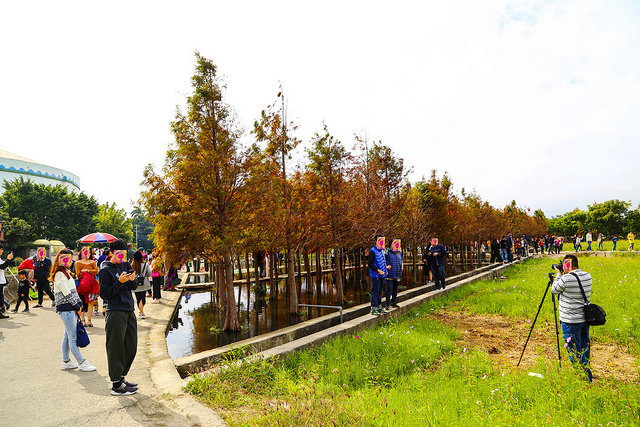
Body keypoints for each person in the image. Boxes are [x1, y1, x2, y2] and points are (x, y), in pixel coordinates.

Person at [98, 239, 139, 396]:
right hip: (115, 311)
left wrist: (132, 280)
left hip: (129, 308)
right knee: (115, 347)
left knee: (131, 345)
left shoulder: (125, 265)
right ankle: (116, 384)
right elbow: (105, 294)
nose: (122, 257)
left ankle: (122, 377)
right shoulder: (105, 269)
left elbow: (133, 287)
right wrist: (119, 282)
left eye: (124, 254)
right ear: (112, 253)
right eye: (119, 254)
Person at [51, 249, 97, 372]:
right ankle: (81, 362)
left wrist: (79, 304)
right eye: (66, 258)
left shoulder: (66, 272)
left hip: (70, 308)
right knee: (72, 337)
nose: (69, 260)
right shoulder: (59, 274)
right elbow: (67, 293)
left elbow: (73, 291)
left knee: (67, 336)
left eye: (70, 258)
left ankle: (66, 361)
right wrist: (77, 306)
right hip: (66, 309)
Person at [551, 254, 593, 382]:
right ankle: (586, 369)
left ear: (567, 264)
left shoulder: (565, 279)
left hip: (571, 320)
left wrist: (559, 274)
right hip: (584, 318)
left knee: (574, 350)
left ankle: (585, 377)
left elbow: (554, 290)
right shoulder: (588, 275)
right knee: (584, 346)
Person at [76, 248, 99, 327]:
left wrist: (86, 271)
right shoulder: (78, 263)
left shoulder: (92, 262)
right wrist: (89, 271)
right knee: (82, 303)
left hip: (92, 285)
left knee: (90, 302)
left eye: (88, 252)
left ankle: (89, 320)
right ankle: (83, 320)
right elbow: (78, 274)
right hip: (82, 285)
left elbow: (96, 271)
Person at [368, 236, 387, 316]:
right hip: (376, 275)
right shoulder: (372, 251)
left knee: (380, 291)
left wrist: (385, 270)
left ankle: (379, 307)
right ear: (376, 241)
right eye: (380, 241)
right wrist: (377, 270)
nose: (381, 243)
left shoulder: (382, 250)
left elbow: (383, 261)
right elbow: (370, 263)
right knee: (375, 292)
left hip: (382, 275)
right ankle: (373, 308)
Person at [131, 251, 151, 319]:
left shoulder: (132, 265)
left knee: (138, 298)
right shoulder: (145, 264)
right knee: (143, 298)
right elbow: (149, 273)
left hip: (136, 284)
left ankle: (140, 311)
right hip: (144, 283)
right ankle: (142, 312)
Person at [384, 239, 402, 310]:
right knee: (389, 288)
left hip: (397, 273)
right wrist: (386, 267)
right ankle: (387, 303)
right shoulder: (387, 252)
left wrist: (401, 266)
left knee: (395, 289)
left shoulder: (399, 252)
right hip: (390, 273)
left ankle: (393, 302)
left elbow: (401, 260)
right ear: (391, 244)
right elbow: (383, 261)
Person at [0, 245, 15, 318]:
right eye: (1, 249)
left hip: (1, 281)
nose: (2, 251)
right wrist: (8, 259)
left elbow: (5, 266)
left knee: (1, 297)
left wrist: (9, 259)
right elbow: (2, 266)